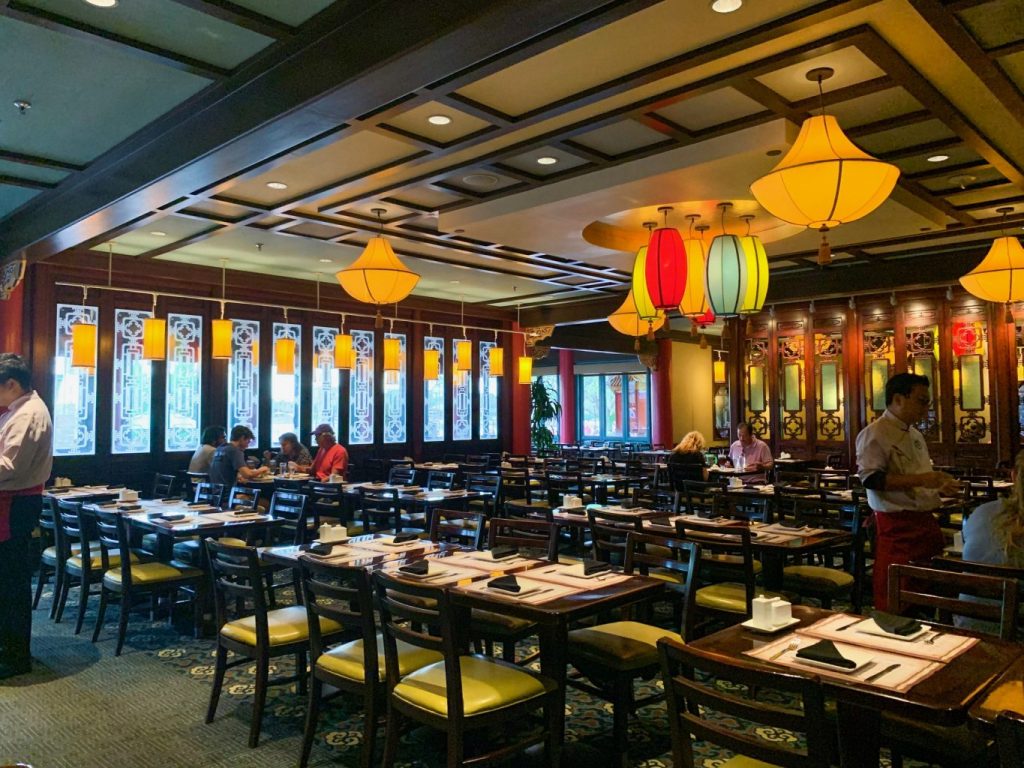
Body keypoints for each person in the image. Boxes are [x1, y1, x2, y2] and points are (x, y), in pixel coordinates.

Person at [856, 372, 959, 610]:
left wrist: (939, 485)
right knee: (898, 597)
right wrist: (923, 479)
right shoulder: (875, 433)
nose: (926, 408)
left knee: (928, 593)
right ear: (898, 399)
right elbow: (871, 479)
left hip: (924, 523)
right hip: (897, 527)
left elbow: (916, 478)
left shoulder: (914, 433)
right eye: (921, 401)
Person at [0, 353, 53, 679]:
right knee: (6, 580)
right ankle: (8, 646)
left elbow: (9, 466)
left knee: (12, 581)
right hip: (14, 502)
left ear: (12, 384)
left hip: (16, 504)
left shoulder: (28, 415)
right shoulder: (17, 411)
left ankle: (16, 655)